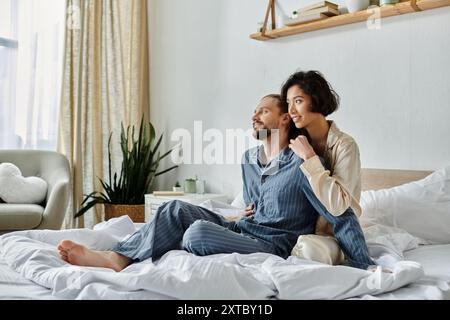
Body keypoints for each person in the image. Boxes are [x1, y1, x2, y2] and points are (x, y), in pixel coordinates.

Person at [58, 94, 375, 271]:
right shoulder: (249, 159)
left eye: (263, 111)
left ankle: (138, 251)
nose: (254, 115)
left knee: (196, 233)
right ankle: (118, 256)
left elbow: (340, 213)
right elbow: (252, 206)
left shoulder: (302, 163)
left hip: (275, 244)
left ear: (283, 120)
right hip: (243, 229)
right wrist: (243, 214)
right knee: (174, 210)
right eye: (253, 111)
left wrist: (365, 263)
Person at [282, 70, 371, 266]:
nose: (291, 110)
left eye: (297, 101)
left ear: (316, 98)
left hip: (331, 234)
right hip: (294, 228)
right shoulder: (292, 143)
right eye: (288, 103)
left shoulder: (345, 145)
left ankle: (365, 264)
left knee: (310, 251)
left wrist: (310, 158)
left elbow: (339, 206)